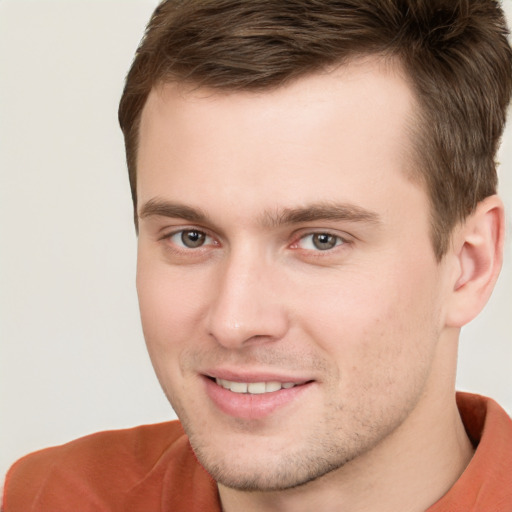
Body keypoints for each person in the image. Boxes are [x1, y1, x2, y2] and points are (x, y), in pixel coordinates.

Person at [3, 0, 512, 510]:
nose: (233, 321)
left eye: (320, 240)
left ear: (470, 265)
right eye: (191, 237)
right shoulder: (54, 496)